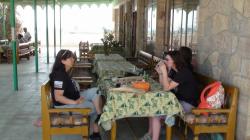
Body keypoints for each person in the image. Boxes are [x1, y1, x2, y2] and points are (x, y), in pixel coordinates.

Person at [141, 51, 199, 140]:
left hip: (188, 104)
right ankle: (150, 134)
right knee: (153, 109)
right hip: (179, 100)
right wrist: (161, 73)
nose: (165, 61)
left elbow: (166, 88)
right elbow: (163, 85)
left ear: (175, 61)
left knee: (156, 112)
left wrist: (164, 72)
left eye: (167, 60)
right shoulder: (175, 71)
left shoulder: (183, 72)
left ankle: (153, 137)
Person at [49, 49, 102, 140]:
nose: (73, 59)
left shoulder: (64, 72)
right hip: (65, 105)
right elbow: (58, 97)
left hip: (74, 96)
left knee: (96, 91)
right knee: (93, 107)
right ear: (63, 61)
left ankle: (99, 116)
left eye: (72, 57)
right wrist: (74, 102)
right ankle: (97, 126)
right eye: (70, 58)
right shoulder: (59, 76)